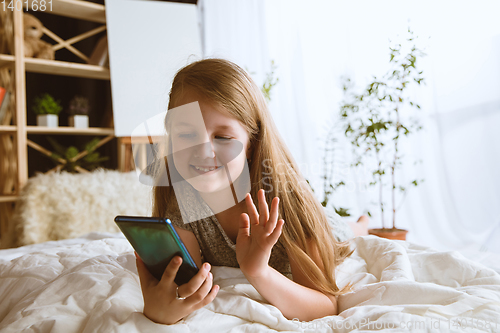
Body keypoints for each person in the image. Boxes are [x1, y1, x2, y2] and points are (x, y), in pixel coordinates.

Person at [135, 58, 360, 325]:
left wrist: (258, 272)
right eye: (186, 135)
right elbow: (186, 288)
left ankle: (361, 225)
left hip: (324, 223)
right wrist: (160, 311)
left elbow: (325, 307)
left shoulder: (287, 199)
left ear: (251, 145)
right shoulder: (183, 202)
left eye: (222, 137)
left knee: (346, 235)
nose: (203, 151)